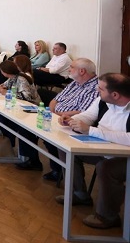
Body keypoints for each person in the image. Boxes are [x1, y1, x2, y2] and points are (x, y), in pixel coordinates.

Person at [56, 73, 130, 229]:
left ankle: (107, 216)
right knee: (66, 148)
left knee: (106, 168)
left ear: (115, 95)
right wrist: (73, 120)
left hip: (125, 157)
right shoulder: (102, 101)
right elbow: (89, 116)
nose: (97, 90)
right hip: (102, 148)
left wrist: (91, 131)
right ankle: (79, 194)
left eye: (101, 88)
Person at [19, 58, 99, 177]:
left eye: (72, 67)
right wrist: (51, 113)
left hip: (71, 122)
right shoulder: (75, 83)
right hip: (55, 115)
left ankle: (58, 169)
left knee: (50, 136)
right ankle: (33, 161)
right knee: (26, 127)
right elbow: (55, 100)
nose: (69, 70)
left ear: (82, 71)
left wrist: (59, 115)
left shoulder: (95, 88)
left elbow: (84, 111)